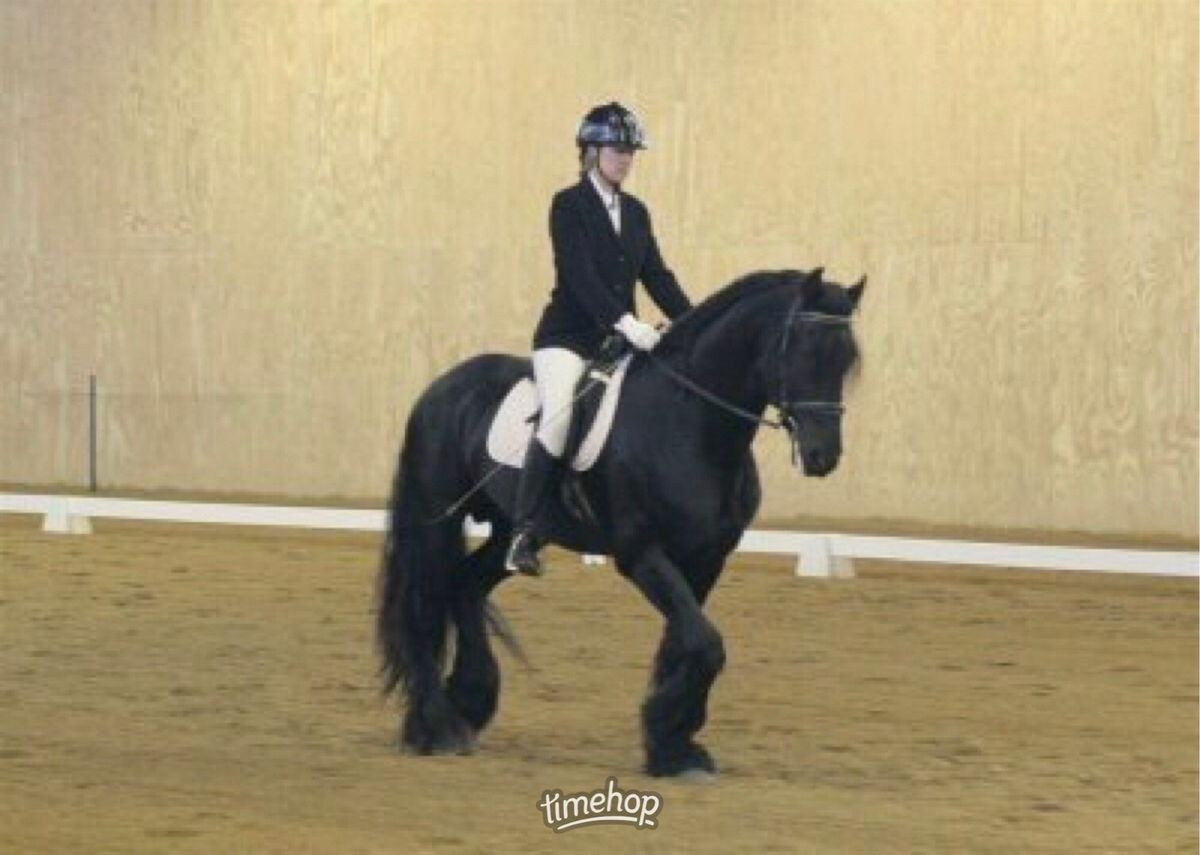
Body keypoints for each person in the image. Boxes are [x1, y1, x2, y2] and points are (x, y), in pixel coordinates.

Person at [505, 101, 693, 576]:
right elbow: (579, 276)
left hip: (616, 344)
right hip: (567, 338)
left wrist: (695, 322)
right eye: (617, 149)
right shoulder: (568, 206)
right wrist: (627, 323)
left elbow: (657, 276)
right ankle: (524, 530)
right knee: (558, 416)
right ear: (590, 151)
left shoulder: (636, 212)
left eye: (631, 151)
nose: (626, 159)